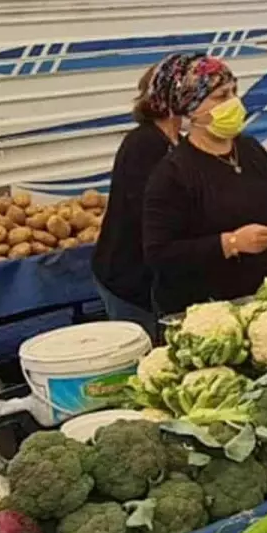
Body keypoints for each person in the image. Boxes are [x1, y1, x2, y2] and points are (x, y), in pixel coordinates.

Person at [143, 55, 267, 315]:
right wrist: (230, 243)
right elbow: (159, 254)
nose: (234, 103)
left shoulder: (252, 151)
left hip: (264, 297)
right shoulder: (172, 174)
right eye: (221, 96)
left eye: (234, 92)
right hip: (206, 310)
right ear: (191, 108)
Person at [91, 58, 185, 338]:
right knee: (141, 352)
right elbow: (150, 212)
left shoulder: (177, 140)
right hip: (130, 276)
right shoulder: (143, 144)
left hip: (155, 276)